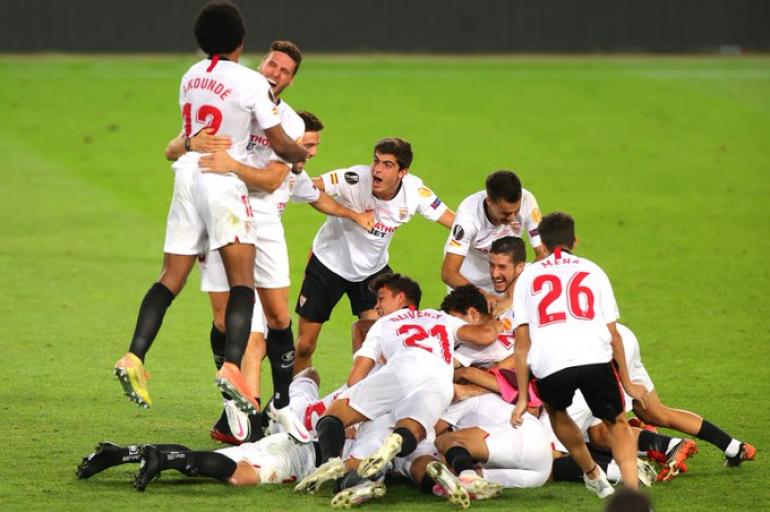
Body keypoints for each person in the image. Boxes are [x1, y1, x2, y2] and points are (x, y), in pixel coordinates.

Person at [113, 1, 306, 414]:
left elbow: (185, 137)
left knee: (169, 277)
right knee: (243, 283)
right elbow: (279, 143)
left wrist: (189, 142)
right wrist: (297, 155)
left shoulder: (191, 75)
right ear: (241, 41)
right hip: (222, 184)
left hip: (186, 177)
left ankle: (134, 357)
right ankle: (233, 367)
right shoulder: (249, 84)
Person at [295, 273, 498, 494]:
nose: (377, 306)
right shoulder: (440, 317)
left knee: (333, 415)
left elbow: (355, 378)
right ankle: (397, 442)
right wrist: (500, 315)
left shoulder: (383, 324)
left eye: (381, 299)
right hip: (440, 382)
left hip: (403, 370)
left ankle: (331, 461)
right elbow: (485, 336)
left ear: (401, 298)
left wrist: (362, 401)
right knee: (413, 429)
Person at [510, 212, 649, 498]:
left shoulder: (527, 277)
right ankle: (632, 494)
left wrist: (523, 397)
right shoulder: (593, 270)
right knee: (617, 422)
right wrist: (627, 382)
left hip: (550, 362)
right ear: (575, 240)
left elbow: (521, 343)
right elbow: (614, 335)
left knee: (556, 410)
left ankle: (592, 473)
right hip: (593, 356)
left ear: (542, 244)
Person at [293, 138, 455, 374]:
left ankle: (360, 401)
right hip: (328, 266)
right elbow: (307, 188)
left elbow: (453, 221)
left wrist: (487, 234)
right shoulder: (355, 178)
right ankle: (287, 402)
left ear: (403, 172)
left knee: (374, 341)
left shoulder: (415, 192)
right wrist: (352, 215)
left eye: (387, 164)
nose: (377, 169)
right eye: (376, 161)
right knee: (305, 346)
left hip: (371, 272)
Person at [618, 323, 755, 471]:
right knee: (654, 413)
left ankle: (671, 446)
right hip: (622, 338)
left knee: (602, 434)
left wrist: (626, 383)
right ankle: (734, 447)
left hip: (609, 349)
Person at [75, 433, 319, 491]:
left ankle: (121, 454)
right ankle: (160, 459)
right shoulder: (353, 431)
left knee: (205, 460)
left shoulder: (335, 402)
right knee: (243, 475)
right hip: (302, 457)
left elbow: (309, 375)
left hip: (283, 438)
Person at [442, 171, 546, 299]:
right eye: (506, 213)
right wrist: (485, 297)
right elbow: (449, 273)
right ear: (490, 201)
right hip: (469, 281)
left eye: (516, 210)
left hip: (509, 275)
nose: (513, 218)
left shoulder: (527, 200)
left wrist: (515, 290)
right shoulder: (468, 218)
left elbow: (543, 254)